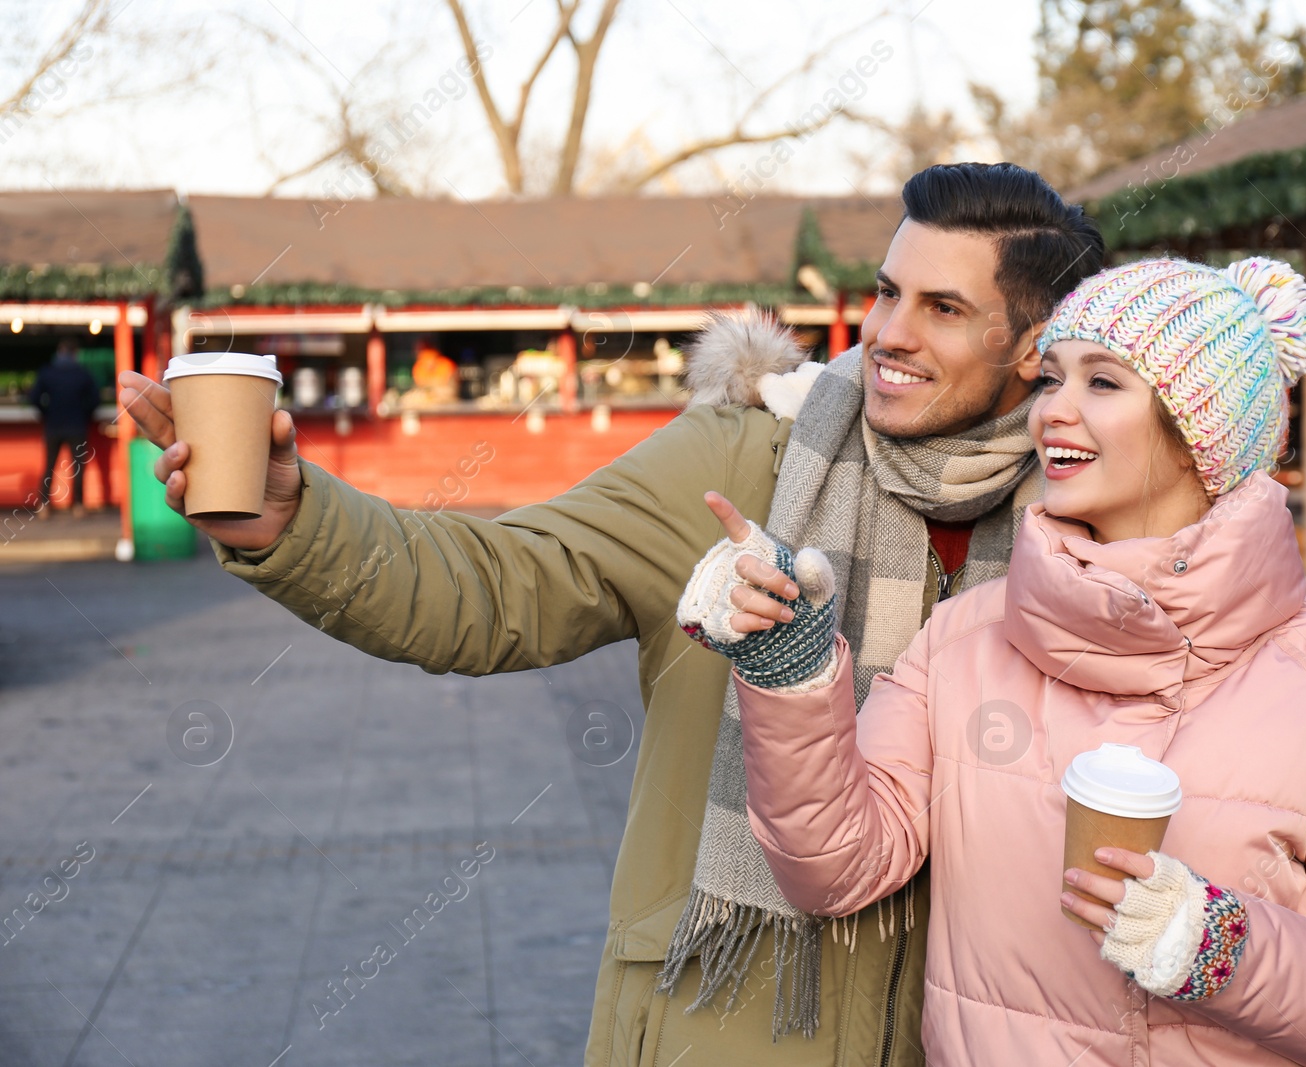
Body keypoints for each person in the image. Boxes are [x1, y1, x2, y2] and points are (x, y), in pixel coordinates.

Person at [115, 161, 1105, 1066]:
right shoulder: (740, 460)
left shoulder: (1090, 527)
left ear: (1033, 347)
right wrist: (293, 517)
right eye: (888, 292)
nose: (888, 333)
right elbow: (496, 582)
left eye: (942, 307)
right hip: (725, 1027)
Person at [683, 257, 1306, 1065]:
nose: (1053, 411)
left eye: (1102, 383)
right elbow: (836, 870)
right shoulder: (962, 642)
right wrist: (789, 665)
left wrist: (1223, 949)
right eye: (1052, 378)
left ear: (1200, 434)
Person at [28, 339, 101, 518]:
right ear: (75, 353)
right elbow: (95, 400)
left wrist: (46, 413)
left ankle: (43, 505)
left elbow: (33, 398)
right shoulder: (82, 373)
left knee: (50, 466)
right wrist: (85, 415)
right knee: (77, 467)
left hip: (53, 426)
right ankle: (78, 506)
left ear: (59, 351)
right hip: (77, 426)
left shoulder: (47, 372)